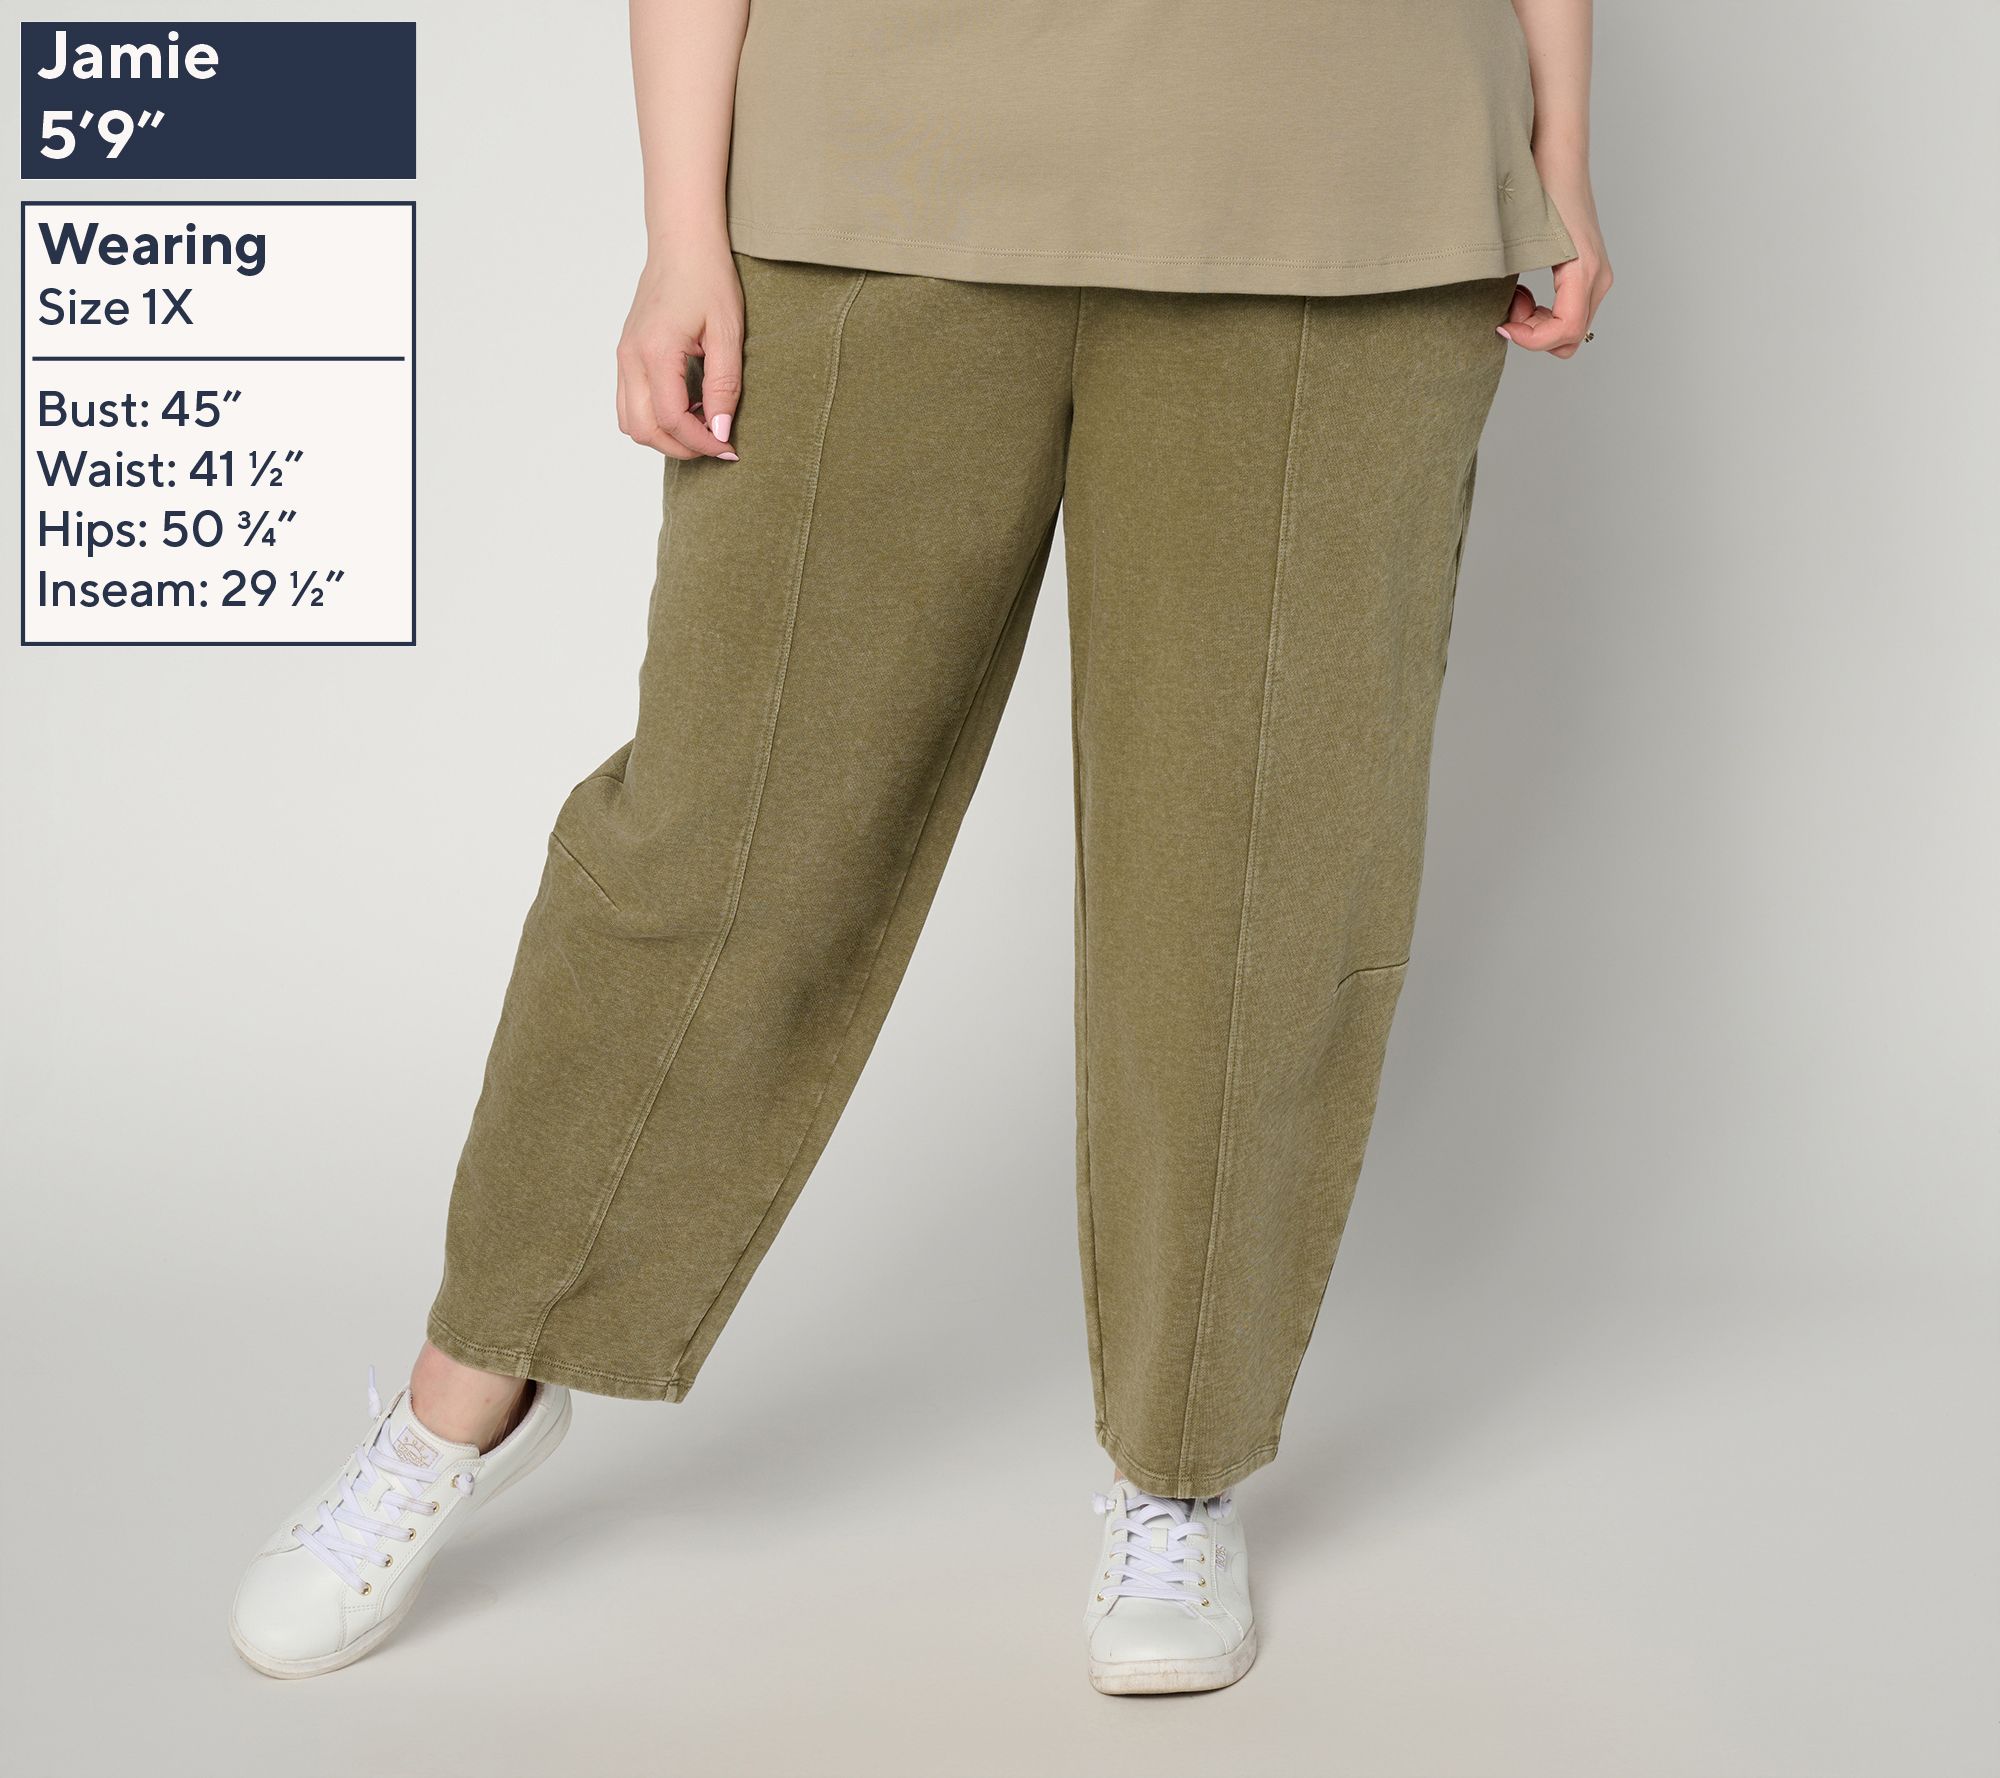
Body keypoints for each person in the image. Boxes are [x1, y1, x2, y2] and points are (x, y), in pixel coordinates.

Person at [231, 0, 1611, 1694]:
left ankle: (1179, 1466)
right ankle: (473, 1387)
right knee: (726, 834)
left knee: (1251, 870)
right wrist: (682, 229)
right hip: (871, 172)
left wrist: (1559, 141)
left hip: (1347, 174)